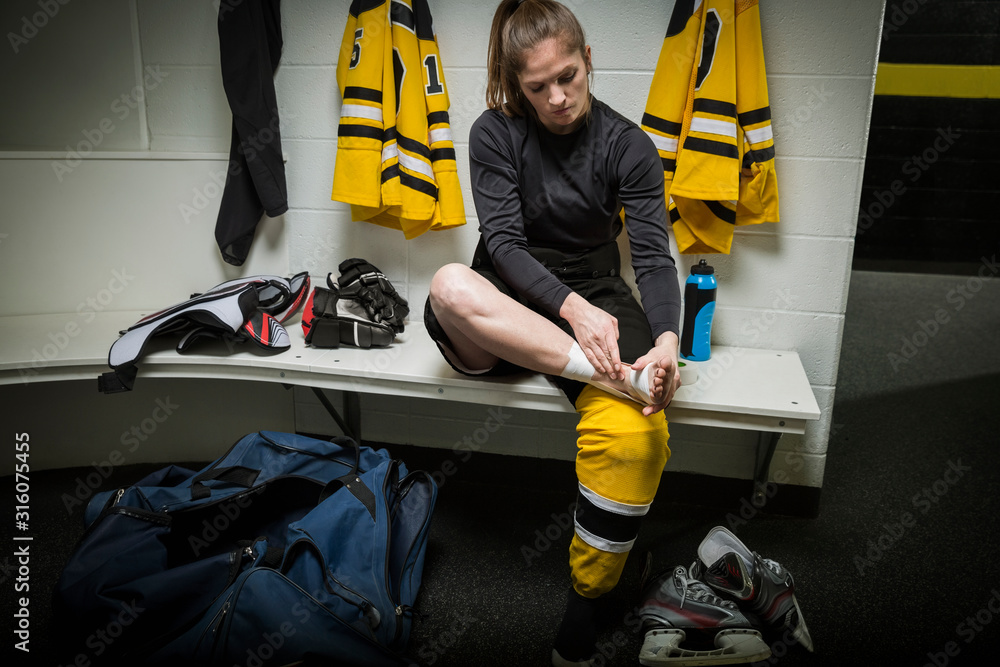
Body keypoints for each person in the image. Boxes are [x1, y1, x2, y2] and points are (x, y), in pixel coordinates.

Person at [424, 1, 682, 664]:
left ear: (588, 59)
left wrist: (667, 339)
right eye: (538, 87)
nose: (559, 97)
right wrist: (569, 310)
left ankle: (587, 599)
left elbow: (652, 256)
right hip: (510, 302)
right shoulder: (494, 132)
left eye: (568, 76)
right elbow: (504, 245)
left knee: (640, 424)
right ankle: (603, 375)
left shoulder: (629, 145)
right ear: (517, 84)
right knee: (449, 285)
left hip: (596, 290)